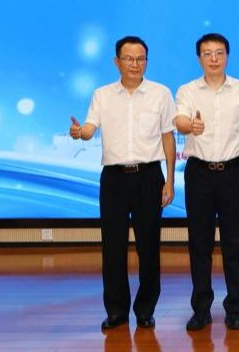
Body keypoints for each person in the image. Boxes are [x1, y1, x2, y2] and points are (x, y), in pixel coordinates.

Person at [69, 36, 176, 330]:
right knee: (113, 246)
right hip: (114, 178)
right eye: (129, 59)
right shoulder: (102, 95)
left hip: (149, 176)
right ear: (116, 62)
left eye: (140, 59)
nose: (135, 64)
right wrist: (80, 133)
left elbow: (168, 137)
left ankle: (145, 309)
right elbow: (90, 128)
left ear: (146, 62)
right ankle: (116, 310)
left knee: (148, 246)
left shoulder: (160, 93)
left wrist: (170, 180)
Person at [174, 33, 239, 331]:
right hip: (199, 173)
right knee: (199, 243)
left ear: (227, 56)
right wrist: (191, 125)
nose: (214, 58)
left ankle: (234, 308)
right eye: (208, 53)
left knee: (234, 243)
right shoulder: (187, 90)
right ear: (199, 57)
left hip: (234, 173)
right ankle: (201, 309)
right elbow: (179, 121)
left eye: (219, 53)